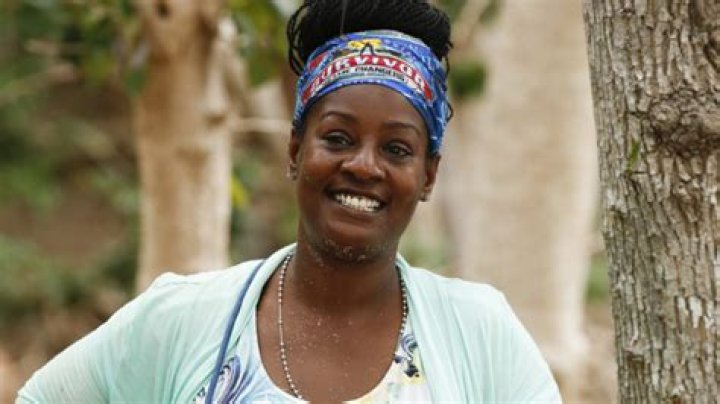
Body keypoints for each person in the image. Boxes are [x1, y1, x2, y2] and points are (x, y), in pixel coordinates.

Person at [18, 0, 561, 402]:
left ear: (427, 176)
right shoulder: (182, 319)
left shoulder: (480, 334)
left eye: (396, 149)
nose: (364, 166)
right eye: (338, 138)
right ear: (297, 150)